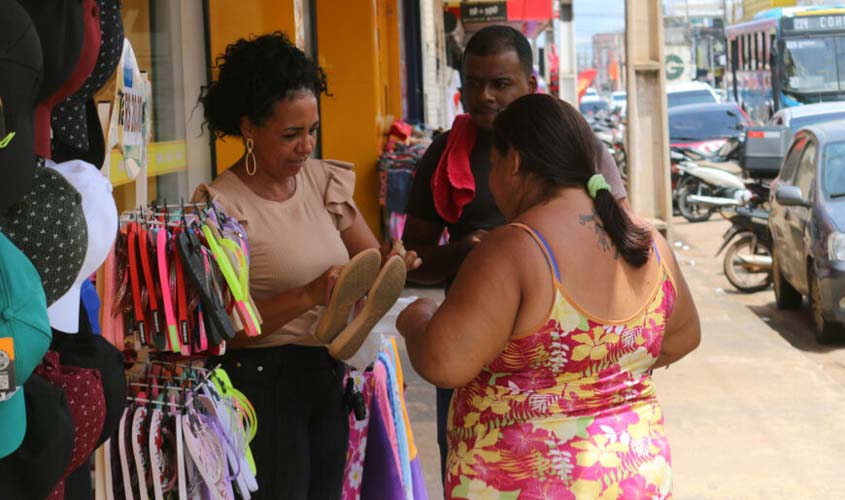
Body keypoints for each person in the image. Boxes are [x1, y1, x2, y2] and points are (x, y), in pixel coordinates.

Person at [397, 93, 701, 498]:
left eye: (493, 165)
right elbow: (684, 336)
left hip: (525, 484)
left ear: (515, 163)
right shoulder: (647, 240)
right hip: (634, 477)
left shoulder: (514, 248)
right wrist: (596, 375)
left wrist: (417, 317)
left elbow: (444, 363)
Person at [194, 32, 419, 499]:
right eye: (291, 134)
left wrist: (393, 264)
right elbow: (220, 331)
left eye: (312, 130)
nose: (306, 147)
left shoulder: (322, 182)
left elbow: (367, 262)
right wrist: (310, 295)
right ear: (249, 128)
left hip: (327, 372)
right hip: (261, 382)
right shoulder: (222, 207)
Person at [402, 25, 628, 480]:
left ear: (530, 84)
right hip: (476, 343)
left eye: (500, 84)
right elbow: (412, 257)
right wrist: (468, 253)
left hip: (565, 349)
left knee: (577, 464)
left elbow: (620, 237)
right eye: (473, 83)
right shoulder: (447, 153)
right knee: (478, 464)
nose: (484, 96)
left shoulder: (576, 144)